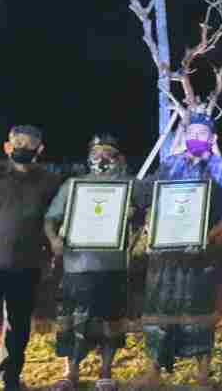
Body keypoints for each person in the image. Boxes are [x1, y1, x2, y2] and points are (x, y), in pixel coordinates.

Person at [136, 113, 222, 389]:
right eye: (191, 133)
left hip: (202, 252)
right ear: (184, 136)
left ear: (213, 138)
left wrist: (210, 235)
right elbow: (150, 198)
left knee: (200, 312)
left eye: (202, 133)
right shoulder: (169, 165)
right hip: (165, 254)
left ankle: (202, 374)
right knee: (158, 310)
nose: (196, 137)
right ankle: (153, 371)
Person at [44, 133, 136, 391]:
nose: (101, 157)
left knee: (111, 322)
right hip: (77, 265)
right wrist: (54, 240)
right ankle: (70, 373)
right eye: (96, 152)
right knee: (72, 322)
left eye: (108, 152)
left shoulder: (128, 186)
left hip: (113, 265)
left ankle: (105, 372)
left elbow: (150, 209)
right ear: (88, 156)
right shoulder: (73, 185)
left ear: (119, 158)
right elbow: (51, 218)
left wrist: (134, 212)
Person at [0, 125, 62, 390]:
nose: (23, 149)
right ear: (7, 147)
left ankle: (11, 378)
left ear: (40, 149)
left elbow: (56, 218)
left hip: (26, 264)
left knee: (19, 324)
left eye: (29, 145)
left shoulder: (50, 181)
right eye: (18, 144)